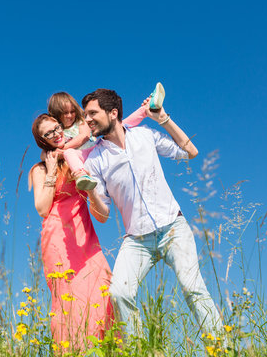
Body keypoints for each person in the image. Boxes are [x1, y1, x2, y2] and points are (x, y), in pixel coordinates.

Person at [82, 88, 223, 337]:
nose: (87, 119)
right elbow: (102, 215)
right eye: (86, 115)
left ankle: (222, 349)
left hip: (173, 228)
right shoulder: (94, 160)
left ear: (113, 113)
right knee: (119, 293)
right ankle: (140, 351)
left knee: (193, 289)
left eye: (92, 113)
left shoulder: (145, 135)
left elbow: (190, 152)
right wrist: (92, 192)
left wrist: (163, 119)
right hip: (137, 240)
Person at [29, 113, 114, 349]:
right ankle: (70, 352)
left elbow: (102, 214)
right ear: (41, 140)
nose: (56, 133)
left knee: (105, 291)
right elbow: (42, 208)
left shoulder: (77, 160)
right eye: (49, 133)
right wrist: (52, 170)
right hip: (57, 241)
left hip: (85, 237)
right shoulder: (40, 169)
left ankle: (111, 350)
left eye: (57, 127)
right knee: (67, 301)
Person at [46, 83, 165, 191]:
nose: (70, 115)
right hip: (86, 157)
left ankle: (147, 107)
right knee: (69, 154)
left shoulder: (80, 122)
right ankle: (81, 175)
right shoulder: (58, 132)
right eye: (65, 113)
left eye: (72, 111)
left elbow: (85, 135)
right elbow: (45, 154)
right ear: (56, 114)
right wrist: (54, 153)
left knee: (121, 124)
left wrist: (64, 147)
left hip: (97, 147)